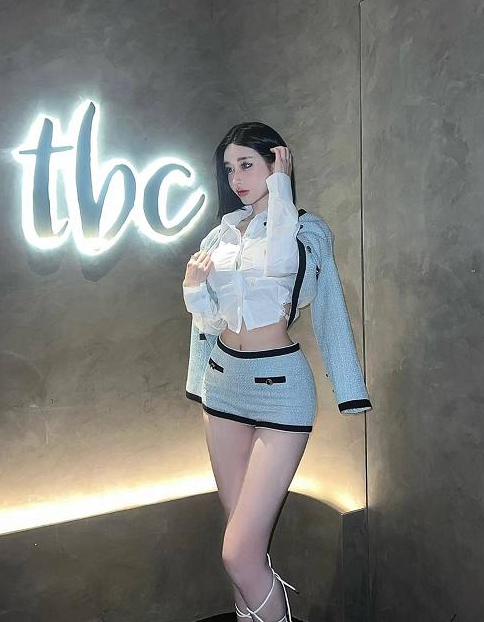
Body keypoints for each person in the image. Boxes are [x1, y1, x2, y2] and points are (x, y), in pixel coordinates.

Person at [182, 122, 372, 622]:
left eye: (247, 164)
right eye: (229, 169)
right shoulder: (221, 234)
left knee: (237, 553)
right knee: (242, 544)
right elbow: (211, 322)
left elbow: (303, 284)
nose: (237, 178)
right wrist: (194, 291)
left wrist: (282, 192)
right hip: (223, 384)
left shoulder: (307, 230)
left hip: (280, 388)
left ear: (277, 162)